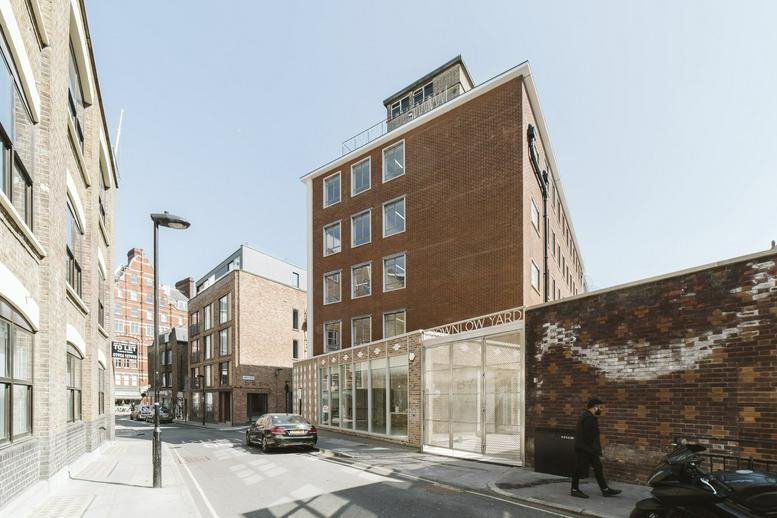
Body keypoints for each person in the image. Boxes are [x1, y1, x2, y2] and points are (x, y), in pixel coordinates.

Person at [571, 397, 622, 498]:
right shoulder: (588, 418)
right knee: (579, 468)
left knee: (598, 467)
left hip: (586, 448)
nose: (601, 409)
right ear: (595, 407)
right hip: (585, 448)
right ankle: (574, 489)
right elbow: (589, 436)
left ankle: (605, 489)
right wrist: (593, 449)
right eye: (600, 407)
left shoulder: (586, 415)